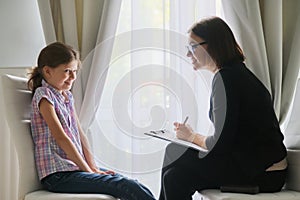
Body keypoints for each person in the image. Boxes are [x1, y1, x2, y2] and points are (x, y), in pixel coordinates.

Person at [159, 16, 287, 200]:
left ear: (213, 45)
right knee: (175, 178)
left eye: (192, 47)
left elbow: (218, 145)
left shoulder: (226, 78)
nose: (188, 55)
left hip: (263, 173)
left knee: (174, 152)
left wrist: (191, 137)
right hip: (256, 167)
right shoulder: (234, 73)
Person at [28, 42, 156, 200]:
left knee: (131, 183)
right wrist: (87, 170)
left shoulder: (66, 97)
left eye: (74, 71)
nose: (73, 77)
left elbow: (80, 134)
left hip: (73, 170)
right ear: (47, 71)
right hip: (58, 176)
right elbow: (61, 138)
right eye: (67, 71)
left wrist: (93, 167)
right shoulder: (44, 95)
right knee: (125, 186)